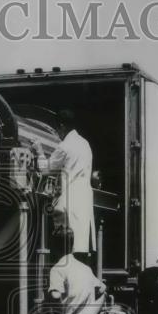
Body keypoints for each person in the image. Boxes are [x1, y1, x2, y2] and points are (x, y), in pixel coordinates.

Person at [36, 110, 96, 257]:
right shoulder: (85, 144)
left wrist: (39, 152)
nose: (58, 134)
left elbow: (45, 169)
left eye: (57, 130)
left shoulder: (65, 146)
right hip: (84, 200)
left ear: (62, 126)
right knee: (80, 249)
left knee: (64, 250)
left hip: (68, 202)